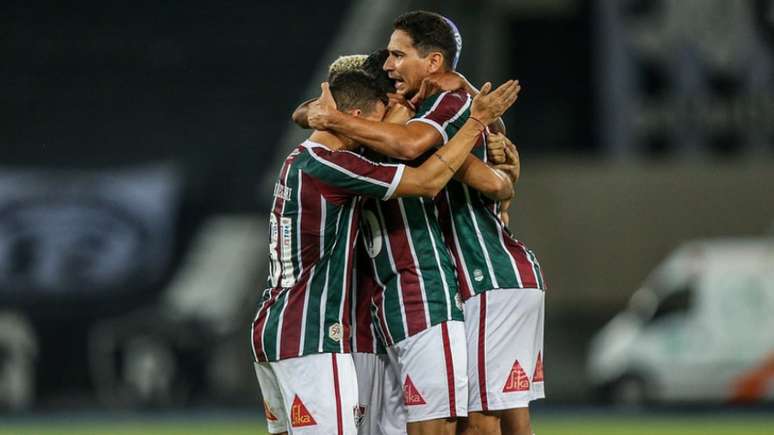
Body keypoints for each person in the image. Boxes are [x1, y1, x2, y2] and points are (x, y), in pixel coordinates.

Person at [307, 11, 545, 435]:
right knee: (486, 419)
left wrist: (334, 121)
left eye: (398, 55)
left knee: (484, 421)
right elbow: (489, 178)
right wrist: (506, 180)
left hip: (486, 274)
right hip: (472, 280)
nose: (389, 66)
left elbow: (413, 146)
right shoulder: (431, 105)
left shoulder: (448, 104)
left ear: (433, 63)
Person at [252, 69, 519, 434]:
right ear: (354, 119)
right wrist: (475, 122)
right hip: (311, 334)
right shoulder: (331, 164)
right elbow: (426, 181)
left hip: (275, 325)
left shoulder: (298, 159)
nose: (377, 139)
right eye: (376, 125)